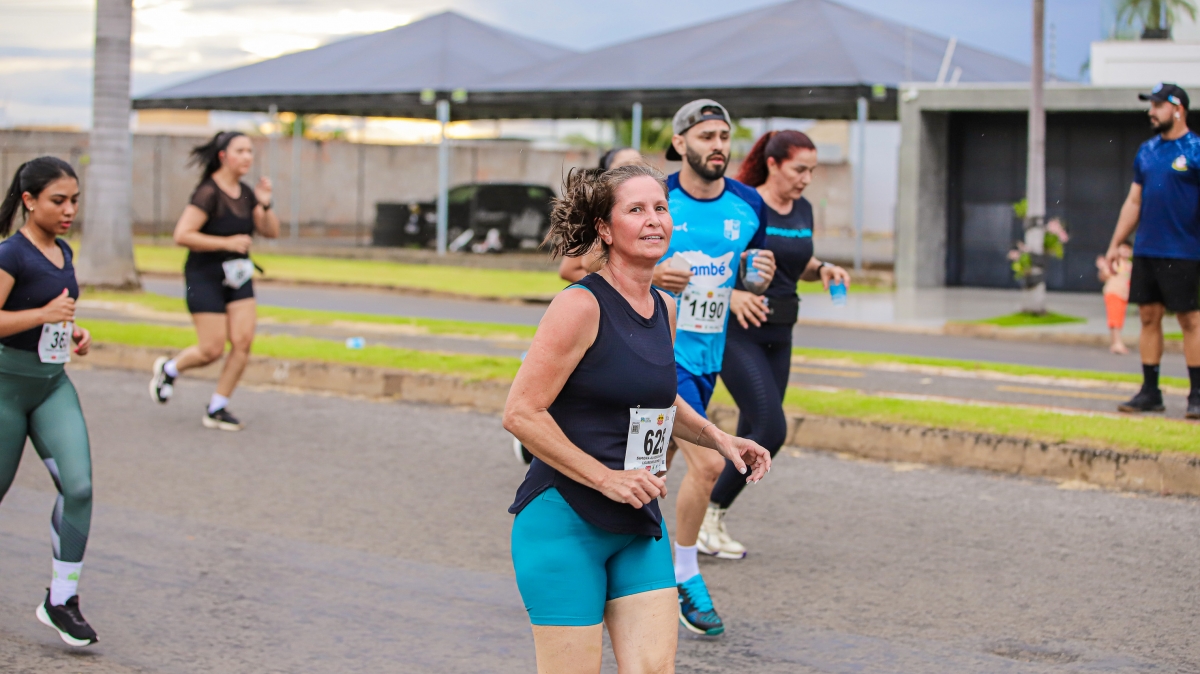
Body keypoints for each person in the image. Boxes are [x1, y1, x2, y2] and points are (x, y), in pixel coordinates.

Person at [504, 164, 770, 673]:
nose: (654, 219)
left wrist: (718, 438)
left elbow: (659, 400)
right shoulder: (579, 306)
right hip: (565, 521)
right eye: (636, 209)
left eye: (661, 208)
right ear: (605, 228)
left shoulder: (664, 308)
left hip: (636, 518)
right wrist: (607, 478)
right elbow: (521, 413)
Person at [652, 99, 776, 635]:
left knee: (652, 467)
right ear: (680, 143)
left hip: (707, 356)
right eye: (706, 136)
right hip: (658, 352)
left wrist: (756, 277)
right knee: (706, 465)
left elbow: (748, 272)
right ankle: (684, 576)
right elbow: (596, 263)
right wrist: (653, 274)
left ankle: (611, 561)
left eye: (724, 136)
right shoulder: (654, 197)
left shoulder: (748, 205)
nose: (718, 145)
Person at [696, 130, 851, 560]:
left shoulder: (803, 209)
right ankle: (706, 516)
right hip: (739, 331)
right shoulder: (744, 204)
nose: (806, 179)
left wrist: (822, 268)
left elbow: (794, 261)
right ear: (773, 164)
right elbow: (717, 258)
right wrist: (732, 294)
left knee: (754, 429)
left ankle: (710, 520)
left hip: (781, 333)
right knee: (770, 429)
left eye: (812, 171)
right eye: (799, 169)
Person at [0, 157, 98, 646]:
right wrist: (44, 314)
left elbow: (53, 314)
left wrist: (72, 330)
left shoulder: (63, 251)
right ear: (29, 200)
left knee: (78, 487)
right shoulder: (10, 255)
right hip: (5, 385)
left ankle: (61, 600)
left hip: (51, 385)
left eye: (74, 200)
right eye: (58, 201)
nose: (69, 210)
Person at [149, 131, 280, 430]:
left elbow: (271, 232)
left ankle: (217, 407)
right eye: (240, 151)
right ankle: (170, 368)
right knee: (211, 349)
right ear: (223, 156)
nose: (247, 157)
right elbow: (182, 234)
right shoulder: (207, 193)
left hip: (238, 275)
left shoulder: (246, 193)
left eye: (250, 151)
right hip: (204, 275)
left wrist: (265, 204)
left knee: (243, 342)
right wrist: (226, 243)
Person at [1105, 83, 1200, 419]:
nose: (1151, 112)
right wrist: (1116, 243)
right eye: (1151, 106)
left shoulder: (1195, 149)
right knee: (1148, 317)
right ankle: (1150, 392)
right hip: (1147, 249)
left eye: (1158, 106)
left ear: (1178, 109)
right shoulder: (1146, 151)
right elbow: (1134, 201)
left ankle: (1197, 394)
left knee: (1190, 320)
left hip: (1185, 251)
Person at [557, 147, 644, 284]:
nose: (632, 171)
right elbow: (569, 270)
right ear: (605, 174)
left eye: (638, 165)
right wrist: (619, 287)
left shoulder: (656, 209)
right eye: (624, 166)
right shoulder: (598, 212)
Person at [1096, 242, 1133, 355]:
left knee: (1119, 319)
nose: (1126, 251)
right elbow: (1103, 276)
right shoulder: (1114, 263)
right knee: (1114, 319)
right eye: (1123, 248)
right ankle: (1117, 343)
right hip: (1113, 293)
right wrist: (1103, 267)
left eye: (1128, 249)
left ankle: (1115, 343)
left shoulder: (1129, 265)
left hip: (1124, 295)